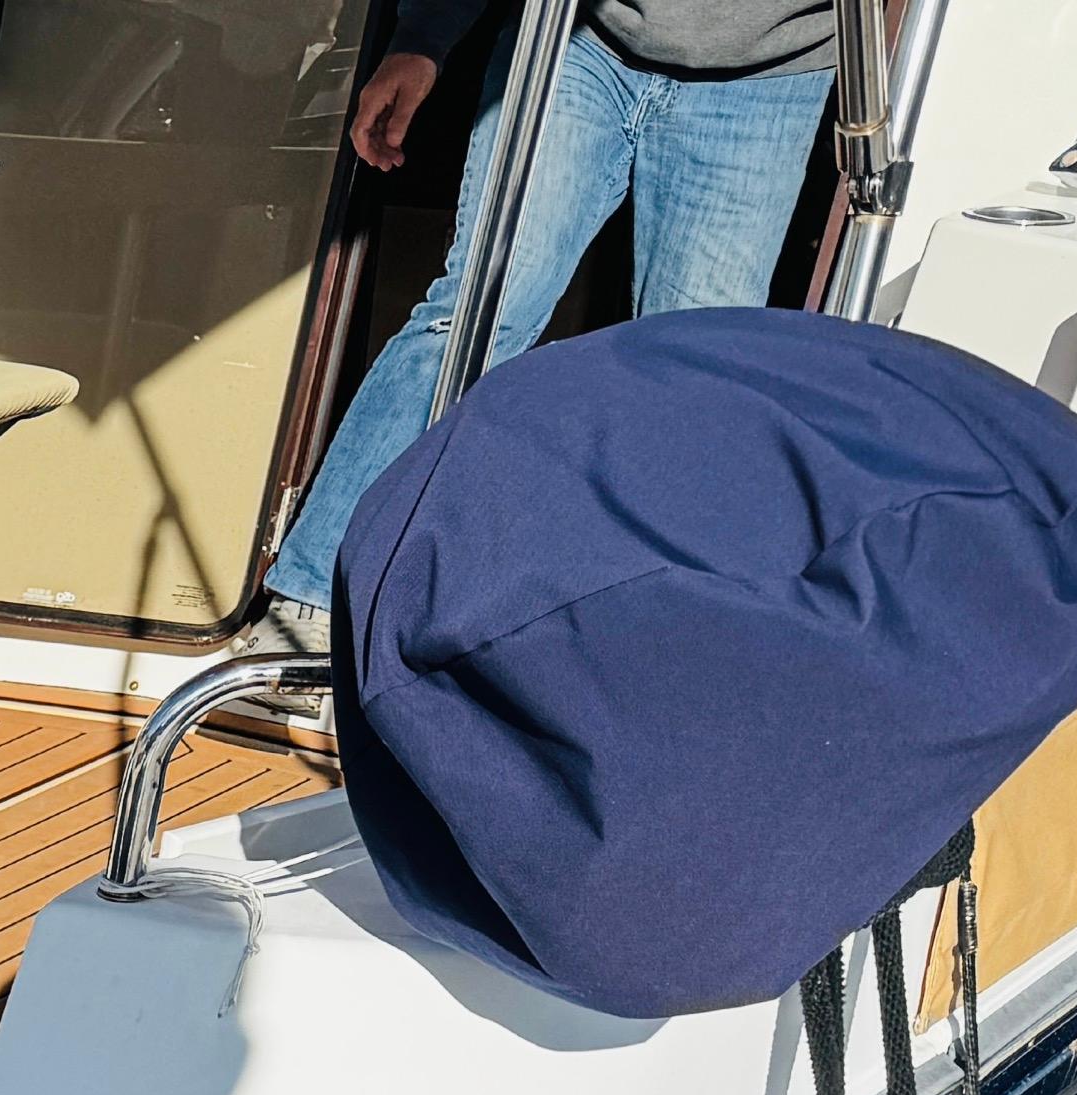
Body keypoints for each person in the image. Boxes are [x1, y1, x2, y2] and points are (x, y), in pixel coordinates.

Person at [262, 0, 840, 639]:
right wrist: (423, 39)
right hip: (573, 37)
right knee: (478, 311)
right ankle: (315, 598)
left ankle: (627, 642)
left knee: (693, 372)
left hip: (771, 76)